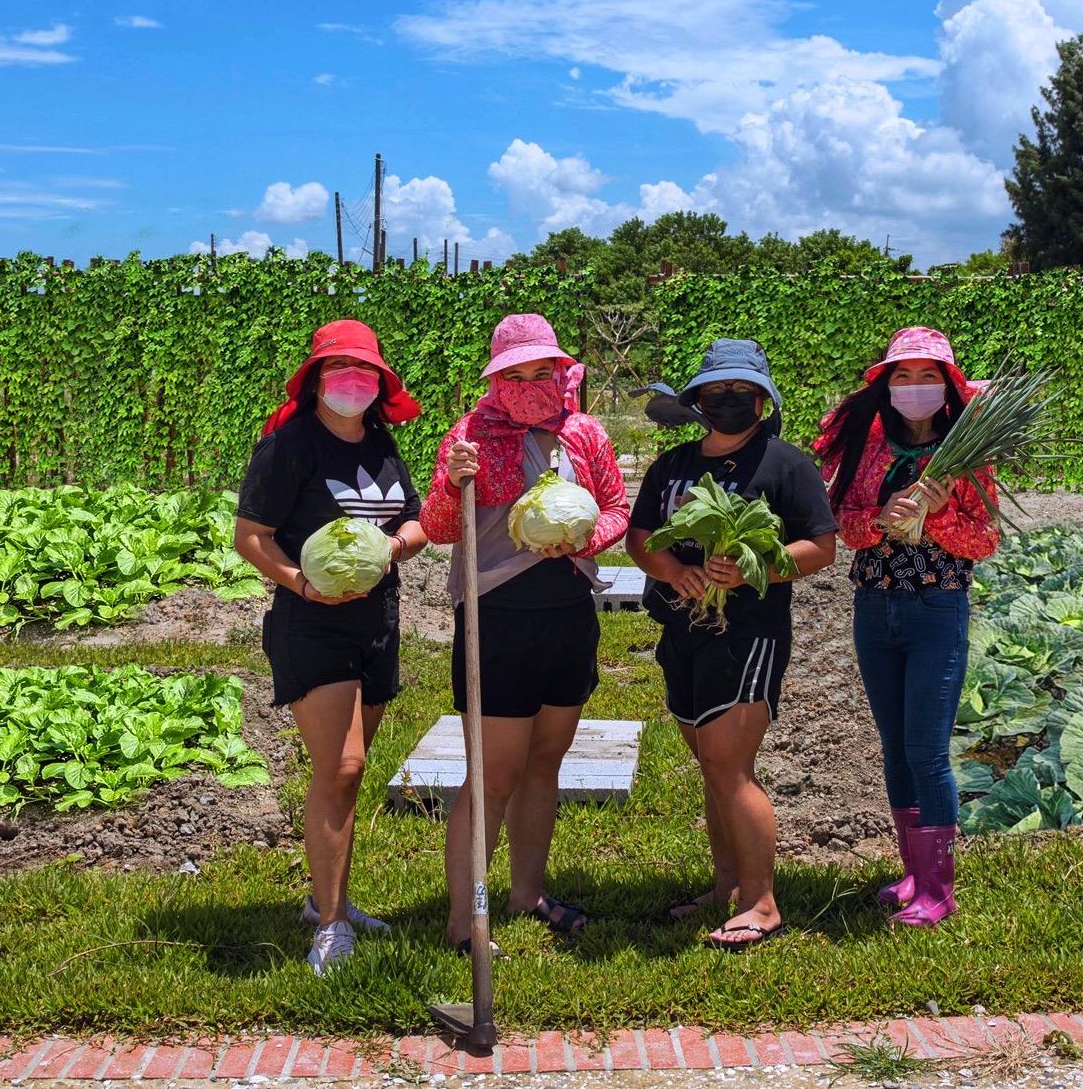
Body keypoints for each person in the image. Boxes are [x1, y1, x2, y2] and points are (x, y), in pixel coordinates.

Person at [419, 313, 630, 952]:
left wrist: (588, 538)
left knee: (546, 762)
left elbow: (618, 506)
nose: (534, 382)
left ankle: (527, 892)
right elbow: (437, 527)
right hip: (497, 618)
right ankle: (465, 921)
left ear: (563, 373)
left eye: (545, 371)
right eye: (518, 373)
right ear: (496, 377)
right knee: (493, 773)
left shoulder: (584, 434)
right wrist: (457, 482)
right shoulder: (469, 438)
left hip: (568, 612)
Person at [626, 339, 838, 951]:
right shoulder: (673, 466)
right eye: (716, 393)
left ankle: (762, 901)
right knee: (711, 766)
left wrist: (755, 569)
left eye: (742, 393)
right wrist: (671, 571)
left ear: (763, 401)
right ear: (698, 400)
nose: (728, 402)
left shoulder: (786, 465)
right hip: (680, 629)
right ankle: (726, 887)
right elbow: (642, 537)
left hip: (748, 634)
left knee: (730, 764)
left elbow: (820, 547)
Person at [232, 320, 429, 975]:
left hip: (377, 619)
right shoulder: (289, 446)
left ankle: (328, 901)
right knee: (339, 769)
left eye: (365, 372)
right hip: (310, 622)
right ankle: (332, 925)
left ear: (379, 385)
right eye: (339, 370)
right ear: (315, 379)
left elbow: (412, 520)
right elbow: (251, 536)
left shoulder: (379, 441)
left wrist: (396, 545)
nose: (353, 382)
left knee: (352, 773)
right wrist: (300, 583)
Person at [816, 327, 999, 927]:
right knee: (895, 749)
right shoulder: (869, 449)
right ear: (886, 384)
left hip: (936, 610)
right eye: (903, 375)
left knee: (926, 750)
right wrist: (881, 518)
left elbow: (986, 541)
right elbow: (845, 527)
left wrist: (940, 515)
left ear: (947, 385)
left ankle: (939, 888)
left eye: (928, 376)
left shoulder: (969, 454)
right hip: (875, 607)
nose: (914, 387)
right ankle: (913, 874)